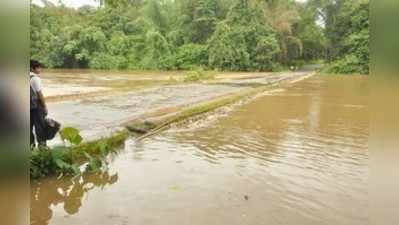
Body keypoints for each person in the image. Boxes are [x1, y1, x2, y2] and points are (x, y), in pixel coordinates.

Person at [30, 59, 48, 147]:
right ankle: (42, 148)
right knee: (40, 127)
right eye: (38, 67)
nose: (40, 69)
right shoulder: (35, 78)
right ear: (32, 68)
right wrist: (44, 106)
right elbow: (40, 94)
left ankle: (30, 147)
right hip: (37, 106)